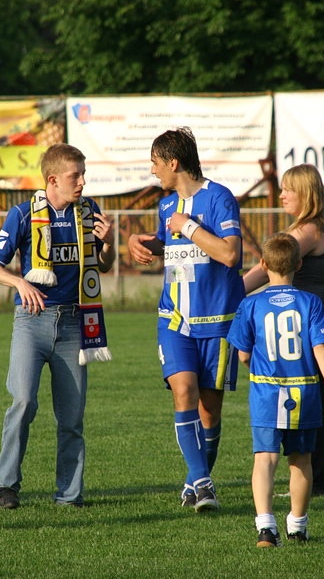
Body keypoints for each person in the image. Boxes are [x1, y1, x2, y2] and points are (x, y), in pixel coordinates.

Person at [0, 143, 115, 509]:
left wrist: (108, 245)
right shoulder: (23, 214)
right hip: (32, 322)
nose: (83, 182)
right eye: (76, 176)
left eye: (83, 174)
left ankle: (69, 495)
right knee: (23, 402)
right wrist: (20, 282)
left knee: (72, 418)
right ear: (53, 179)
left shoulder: (90, 213)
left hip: (75, 323)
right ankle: (6, 484)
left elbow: (103, 266)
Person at [128, 127, 244, 511]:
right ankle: (205, 483)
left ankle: (195, 481)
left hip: (220, 323)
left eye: (156, 163)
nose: (152, 170)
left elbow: (229, 255)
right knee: (183, 393)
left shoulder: (220, 198)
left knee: (210, 410)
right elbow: (173, 244)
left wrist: (188, 226)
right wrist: (142, 242)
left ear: (173, 163)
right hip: (175, 320)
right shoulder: (165, 208)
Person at [242, 164, 324, 496]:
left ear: (305, 193)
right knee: (307, 397)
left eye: (287, 189)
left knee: (309, 401)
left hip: (312, 320)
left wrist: (231, 293)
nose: (281, 194)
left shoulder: (306, 232)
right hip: (320, 316)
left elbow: (267, 266)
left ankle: (319, 480)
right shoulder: (317, 225)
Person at [227, 232, 324, 547]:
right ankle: (298, 526)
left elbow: (243, 354)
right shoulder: (311, 303)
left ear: (263, 265)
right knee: (300, 459)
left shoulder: (250, 304)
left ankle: (266, 527)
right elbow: (322, 348)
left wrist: (256, 366)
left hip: (266, 391)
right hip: (303, 391)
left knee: (264, 459)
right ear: (300, 264)